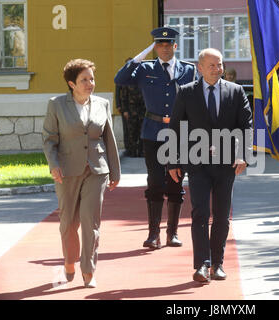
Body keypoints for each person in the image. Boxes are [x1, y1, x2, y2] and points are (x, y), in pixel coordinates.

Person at [168, 48, 252, 283]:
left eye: (220, 65)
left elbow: (246, 125)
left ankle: (218, 263)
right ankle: (202, 265)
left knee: (222, 216)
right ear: (200, 68)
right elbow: (176, 128)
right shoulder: (186, 93)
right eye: (212, 65)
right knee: (200, 213)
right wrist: (173, 161)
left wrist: (243, 155)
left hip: (226, 164)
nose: (217, 69)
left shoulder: (235, 92)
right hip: (197, 163)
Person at [114, 27, 198, 249]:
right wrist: (140, 55)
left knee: (176, 181)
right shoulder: (145, 68)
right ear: (155, 47)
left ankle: (172, 233)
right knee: (155, 181)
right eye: (160, 44)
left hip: (180, 133)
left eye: (168, 44)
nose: (165, 48)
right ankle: (153, 234)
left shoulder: (188, 70)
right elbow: (120, 78)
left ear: (175, 47)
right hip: (153, 132)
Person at [42, 58, 121, 288]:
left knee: (91, 222)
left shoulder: (102, 104)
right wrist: (53, 164)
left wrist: (115, 170)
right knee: (68, 224)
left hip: (97, 170)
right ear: (71, 83)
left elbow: (109, 139)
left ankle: (88, 270)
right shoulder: (56, 105)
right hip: (66, 171)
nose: (90, 83)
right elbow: (49, 139)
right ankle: (69, 260)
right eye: (84, 80)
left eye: (92, 79)